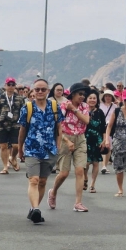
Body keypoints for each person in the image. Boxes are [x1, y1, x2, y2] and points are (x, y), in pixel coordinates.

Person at [18, 78, 64, 223]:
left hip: (49, 149)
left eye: (43, 89)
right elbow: (23, 129)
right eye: (37, 89)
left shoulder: (55, 107)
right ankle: (36, 208)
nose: (39, 92)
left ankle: (33, 209)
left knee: (43, 181)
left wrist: (57, 146)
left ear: (48, 91)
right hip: (32, 149)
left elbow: (59, 128)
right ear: (33, 91)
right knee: (34, 180)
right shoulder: (27, 108)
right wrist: (20, 148)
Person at [49, 83, 91, 212]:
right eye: (80, 94)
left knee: (80, 170)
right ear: (73, 94)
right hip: (65, 138)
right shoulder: (62, 106)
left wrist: (74, 109)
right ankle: (53, 192)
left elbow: (86, 121)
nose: (82, 97)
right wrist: (67, 141)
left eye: (84, 94)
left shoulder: (84, 106)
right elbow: (58, 126)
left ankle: (78, 203)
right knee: (64, 173)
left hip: (80, 139)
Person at [0, 77, 25, 174]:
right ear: (5, 86)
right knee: (3, 146)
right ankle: (5, 166)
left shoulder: (20, 98)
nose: (10, 87)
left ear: (15, 86)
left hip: (15, 124)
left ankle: (13, 158)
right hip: (2, 124)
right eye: (9, 85)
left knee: (15, 146)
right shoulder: (0, 98)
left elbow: (23, 113)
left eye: (12, 85)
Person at [84, 91, 107, 193]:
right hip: (85, 139)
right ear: (86, 99)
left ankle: (92, 185)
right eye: (90, 98)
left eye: (94, 98)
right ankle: (85, 178)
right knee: (86, 163)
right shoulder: (83, 110)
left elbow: (103, 128)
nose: (92, 100)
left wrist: (104, 140)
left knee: (96, 162)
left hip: (97, 139)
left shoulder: (100, 112)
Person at [98, 90, 117, 172]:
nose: (108, 98)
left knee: (108, 144)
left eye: (109, 96)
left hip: (111, 127)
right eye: (106, 96)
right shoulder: (100, 106)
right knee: (104, 144)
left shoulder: (115, 107)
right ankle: (103, 165)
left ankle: (104, 165)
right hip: (102, 126)